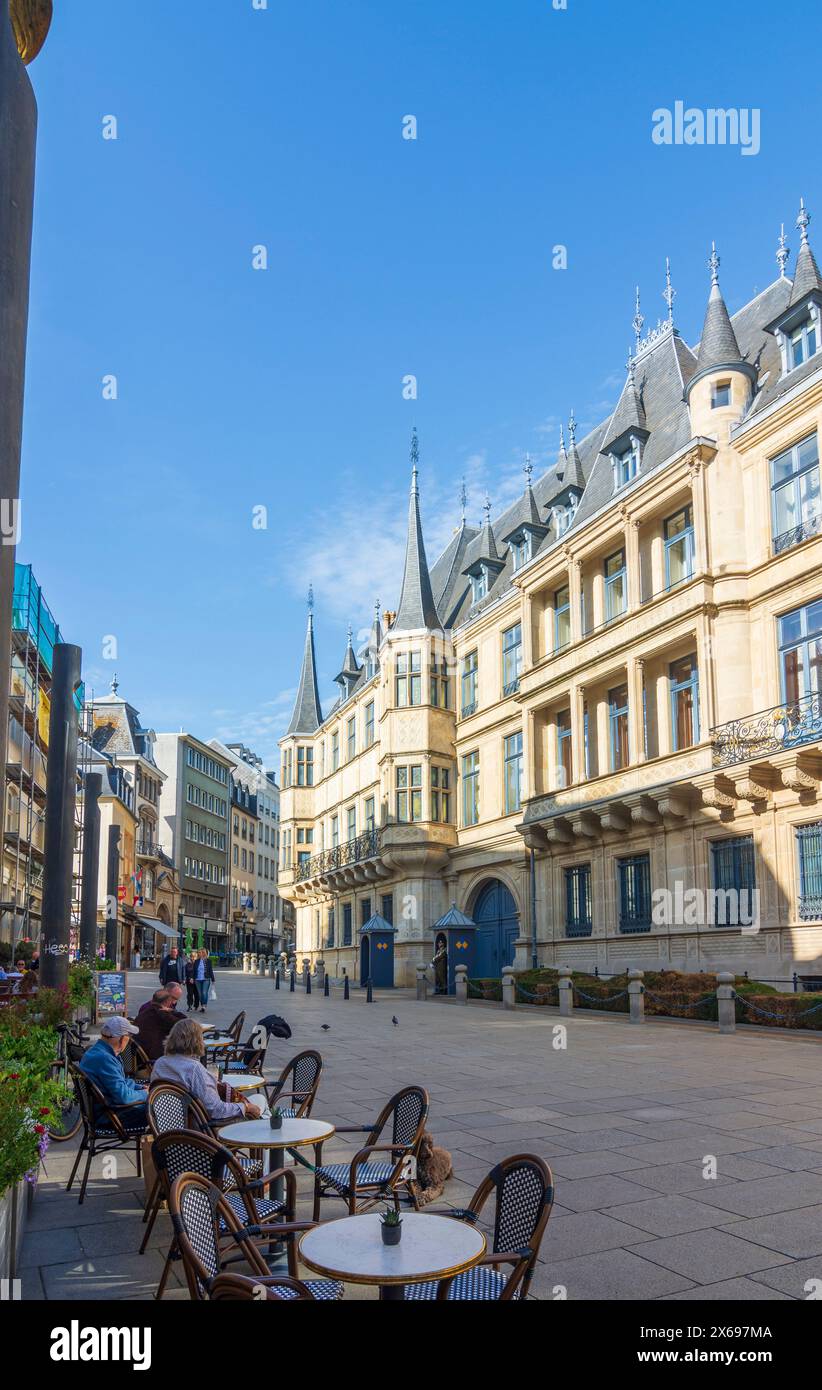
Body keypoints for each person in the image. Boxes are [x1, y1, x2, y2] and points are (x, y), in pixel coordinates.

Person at [150, 1018, 261, 1124]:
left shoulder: (160, 1063)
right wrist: (246, 1107)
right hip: (201, 1129)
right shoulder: (194, 1068)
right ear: (197, 1041)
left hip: (167, 1125)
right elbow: (216, 1110)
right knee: (260, 1101)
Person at [78, 1017, 148, 1124]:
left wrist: (137, 1087)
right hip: (110, 1117)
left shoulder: (96, 1051)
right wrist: (146, 1093)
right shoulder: (105, 1059)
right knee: (160, 1106)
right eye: (129, 1036)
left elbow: (119, 1084)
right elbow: (123, 1097)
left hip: (105, 1111)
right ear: (122, 1038)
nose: (130, 1039)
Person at [135, 987, 187, 1061]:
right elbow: (186, 1023)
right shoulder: (163, 1015)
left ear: (152, 1000)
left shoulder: (143, 1012)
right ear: (167, 1002)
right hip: (156, 1057)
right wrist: (172, 1011)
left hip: (139, 1055)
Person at [194, 948, 214, 1012]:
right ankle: (202, 1004)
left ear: (203, 953)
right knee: (200, 994)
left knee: (204, 992)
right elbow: (194, 971)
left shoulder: (208, 961)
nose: (199, 953)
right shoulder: (196, 961)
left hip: (206, 979)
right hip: (197, 979)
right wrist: (192, 978)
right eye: (198, 952)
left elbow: (210, 970)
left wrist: (213, 979)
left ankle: (204, 1006)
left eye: (200, 952)